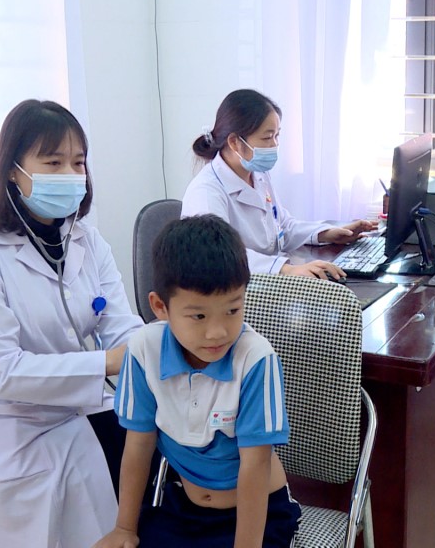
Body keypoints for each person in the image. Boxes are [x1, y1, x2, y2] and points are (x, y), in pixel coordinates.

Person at [0, 99, 145, 547]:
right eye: (53, 162)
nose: (71, 175)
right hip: (6, 436)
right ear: (13, 170)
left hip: (74, 416)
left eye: (78, 162)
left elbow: (121, 324)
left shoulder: (86, 240)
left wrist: (151, 349)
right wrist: (107, 363)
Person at [95, 214, 301, 548]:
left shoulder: (255, 360)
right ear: (160, 306)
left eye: (232, 310)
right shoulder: (143, 351)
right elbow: (139, 445)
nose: (217, 332)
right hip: (185, 509)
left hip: (258, 512)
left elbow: (255, 465)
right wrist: (124, 528)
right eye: (199, 316)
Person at [182, 88, 377, 278]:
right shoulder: (206, 192)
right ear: (234, 142)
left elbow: (282, 226)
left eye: (277, 135)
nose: (275, 144)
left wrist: (327, 233)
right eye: (267, 137)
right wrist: (285, 269)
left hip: (268, 279)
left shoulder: (258, 174)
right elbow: (219, 256)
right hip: (234, 289)